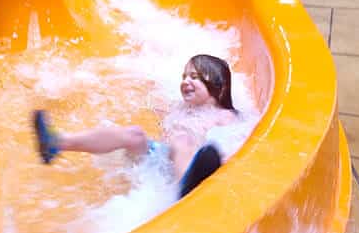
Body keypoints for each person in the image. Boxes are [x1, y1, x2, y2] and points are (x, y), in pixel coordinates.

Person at [33, 54, 241, 199]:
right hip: (159, 161)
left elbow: (235, 142)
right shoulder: (176, 108)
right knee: (134, 134)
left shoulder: (223, 116)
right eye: (184, 76)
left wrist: (223, 162)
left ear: (218, 88)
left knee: (182, 139)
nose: (186, 81)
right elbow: (152, 97)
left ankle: (188, 186)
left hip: (192, 166)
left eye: (194, 77)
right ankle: (57, 143)